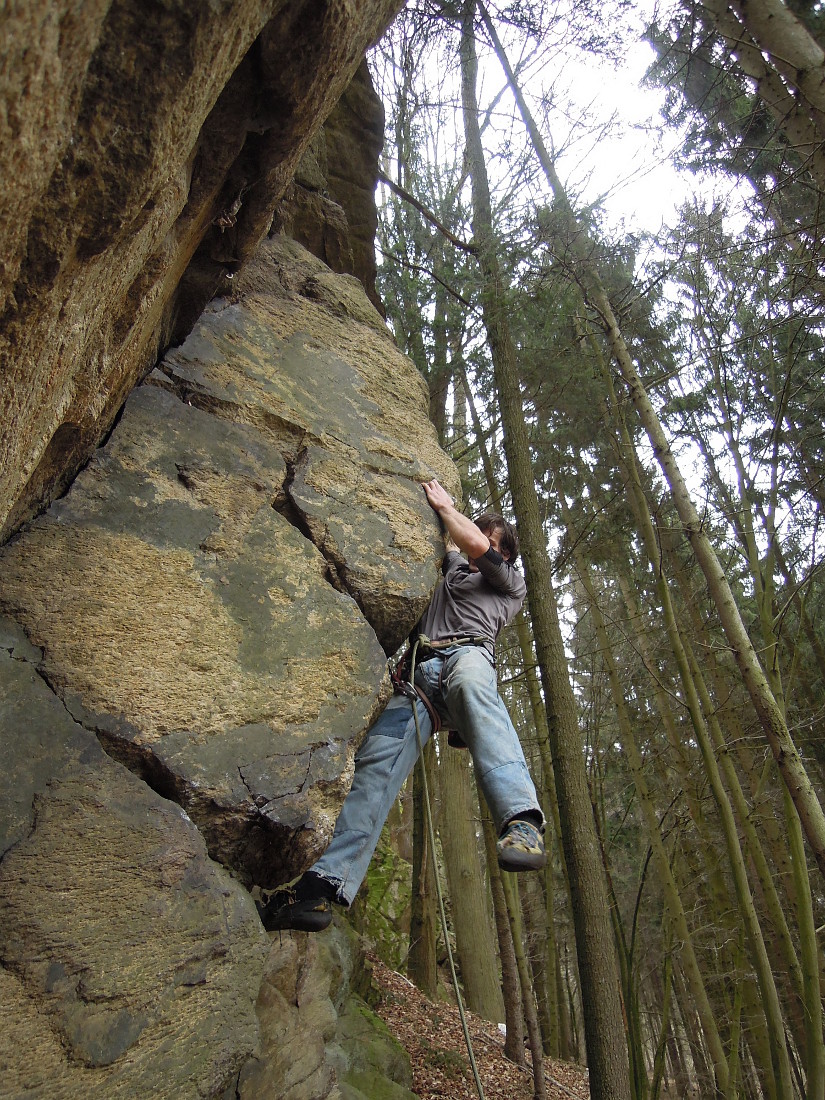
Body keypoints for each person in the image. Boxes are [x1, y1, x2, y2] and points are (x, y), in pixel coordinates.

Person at [258, 477, 545, 932]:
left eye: (489, 543)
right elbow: (445, 546)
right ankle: (318, 889)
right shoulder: (450, 567)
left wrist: (447, 507)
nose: (476, 545)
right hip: (417, 675)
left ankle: (523, 822)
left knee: (472, 690)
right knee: (375, 765)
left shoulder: (508, 585)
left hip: (468, 657)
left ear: (503, 555)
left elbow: (467, 540)